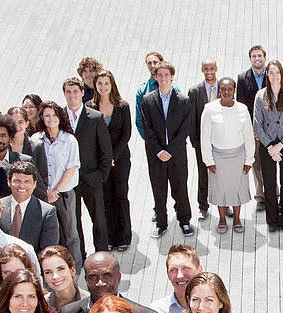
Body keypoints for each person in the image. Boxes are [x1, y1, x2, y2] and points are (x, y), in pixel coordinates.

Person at [143, 62, 194, 238]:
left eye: (166, 75)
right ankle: (161, 223)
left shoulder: (183, 100)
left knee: (180, 189)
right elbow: (147, 128)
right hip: (156, 155)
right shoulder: (148, 100)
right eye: (160, 75)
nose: (163, 78)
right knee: (159, 190)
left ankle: (185, 221)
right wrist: (159, 151)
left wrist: (170, 151)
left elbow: (185, 129)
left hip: (177, 154)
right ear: (155, 77)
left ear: (172, 76)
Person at [65, 77, 113, 254]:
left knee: (99, 221)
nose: (72, 95)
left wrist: (101, 175)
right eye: (68, 92)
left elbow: (106, 150)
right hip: (68, 180)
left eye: (75, 91)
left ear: (82, 93)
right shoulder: (59, 118)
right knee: (73, 222)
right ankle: (80, 256)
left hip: (92, 178)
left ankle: (101, 256)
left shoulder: (94, 117)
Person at [200, 78, 255, 234]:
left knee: (237, 187)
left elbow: (248, 136)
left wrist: (249, 159)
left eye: (229, 89)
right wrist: (208, 160)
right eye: (223, 89)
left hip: (238, 155)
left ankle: (237, 219)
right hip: (218, 155)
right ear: (219, 90)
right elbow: (205, 136)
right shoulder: (210, 109)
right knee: (220, 189)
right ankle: (222, 219)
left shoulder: (242, 109)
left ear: (234, 90)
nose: (226, 92)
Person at [254, 60, 283, 232]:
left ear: (282, 74)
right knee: (269, 183)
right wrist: (270, 146)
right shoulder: (260, 95)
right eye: (271, 72)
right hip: (267, 145)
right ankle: (272, 220)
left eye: (277, 72)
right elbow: (257, 124)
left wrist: (280, 145)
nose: (275, 76)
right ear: (267, 74)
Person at [90, 70, 134, 251]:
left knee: (121, 196)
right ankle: (110, 236)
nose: (103, 87)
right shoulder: (90, 106)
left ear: (112, 84)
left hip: (120, 159)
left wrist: (113, 157)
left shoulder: (122, 106)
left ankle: (124, 235)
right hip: (101, 162)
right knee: (106, 198)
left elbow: (126, 133)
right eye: (99, 83)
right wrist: (105, 160)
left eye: (106, 83)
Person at [35, 101, 81, 261]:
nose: (51, 118)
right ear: (41, 117)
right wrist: (45, 192)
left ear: (60, 117)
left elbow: (71, 168)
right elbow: (34, 169)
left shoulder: (69, 140)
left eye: (54, 115)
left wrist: (55, 191)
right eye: (47, 115)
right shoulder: (36, 140)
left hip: (64, 194)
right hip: (43, 195)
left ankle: (76, 266)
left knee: (71, 233)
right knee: (49, 232)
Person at [0, 161, 59, 253]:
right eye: (17, 181)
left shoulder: (47, 212)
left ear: (34, 184)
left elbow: (47, 251)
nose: (22, 185)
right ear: (9, 182)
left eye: (27, 181)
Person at [189, 58, 222, 221]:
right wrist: (194, 140)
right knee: (203, 174)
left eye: (211, 68)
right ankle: (203, 206)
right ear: (202, 70)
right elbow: (192, 117)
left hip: (222, 140)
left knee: (222, 174)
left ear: (216, 68)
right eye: (205, 69)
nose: (209, 71)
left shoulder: (225, 87)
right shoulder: (194, 91)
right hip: (203, 140)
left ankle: (226, 204)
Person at [238, 45, 270, 208]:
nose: (257, 59)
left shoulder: (272, 74)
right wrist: (252, 129)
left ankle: (274, 193)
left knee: (271, 162)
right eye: (254, 56)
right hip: (253, 130)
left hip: (271, 129)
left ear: (265, 58)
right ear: (250, 59)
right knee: (256, 163)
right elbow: (242, 106)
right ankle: (260, 197)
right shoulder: (243, 78)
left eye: (260, 56)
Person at [134, 50, 165, 147]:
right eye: (149, 63)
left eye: (155, 62)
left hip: (173, 144)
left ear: (161, 62)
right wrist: (151, 142)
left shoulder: (174, 87)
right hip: (152, 143)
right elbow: (139, 120)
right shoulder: (142, 91)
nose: (152, 65)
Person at [39, 245, 82, 312]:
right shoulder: (41, 306)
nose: (55, 277)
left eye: (61, 269)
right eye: (48, 272)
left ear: (72, 270)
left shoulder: (89, 301)